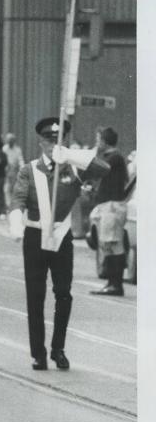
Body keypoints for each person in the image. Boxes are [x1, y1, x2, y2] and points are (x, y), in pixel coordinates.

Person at [9, 117, 109, 370]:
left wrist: (71, 155)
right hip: (34, 237)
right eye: (49, 140)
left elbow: (103, 169)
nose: (53, 144)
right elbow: (18, 199)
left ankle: (58, 349)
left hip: (62, 237)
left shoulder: (72, 168)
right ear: (40, 141)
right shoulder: (29, 170)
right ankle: (38, 353)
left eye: (58, 140)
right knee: (36, 296)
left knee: (63, 294)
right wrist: (15, 223)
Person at [87, 125, 128, 297]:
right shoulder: (110, 157)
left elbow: (98, 168)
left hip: (112, 206)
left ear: (105, 141)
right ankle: (111, 282)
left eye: (98, 139)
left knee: (112, 244)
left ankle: (115, 284)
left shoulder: (115, 157)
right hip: (107, 205)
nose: (96, 143)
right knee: (107, 244)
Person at [2, 132, 25, 209]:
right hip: (5, 170)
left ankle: (13, 204)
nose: (10, 141)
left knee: (14, 188)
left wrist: (22, 168)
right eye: (8, 140)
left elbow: (20, 160)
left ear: (14, 141)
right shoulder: (4, 148)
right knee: (6, 188)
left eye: (11, 140)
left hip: (14, 170)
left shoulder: (17, 150)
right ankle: (7, 204)